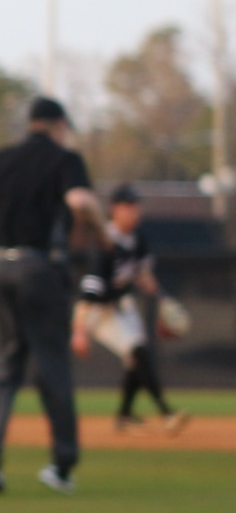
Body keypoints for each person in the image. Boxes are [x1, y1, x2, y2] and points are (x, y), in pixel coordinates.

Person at [0, 97, 106, 495]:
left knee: (9, 359)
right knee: (52, 364)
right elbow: (80, 200)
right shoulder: (64, 159)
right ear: (59, 125)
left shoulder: (1, 158)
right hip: (38, 266)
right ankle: (62, 464)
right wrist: (104, 232)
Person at [74, 184, 189, 437]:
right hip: (99, 311)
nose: (134, 211)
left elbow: (142, 274)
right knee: (138, 352)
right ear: (114, 209)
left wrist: (161, 298)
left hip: (122, 306)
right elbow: (88, 293)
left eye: (136, 206)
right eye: (128, 206)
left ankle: (124, 416)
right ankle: (167, 414)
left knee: (137, 359)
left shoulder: (137, 240)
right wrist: (79, 331)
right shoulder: (105, 242)